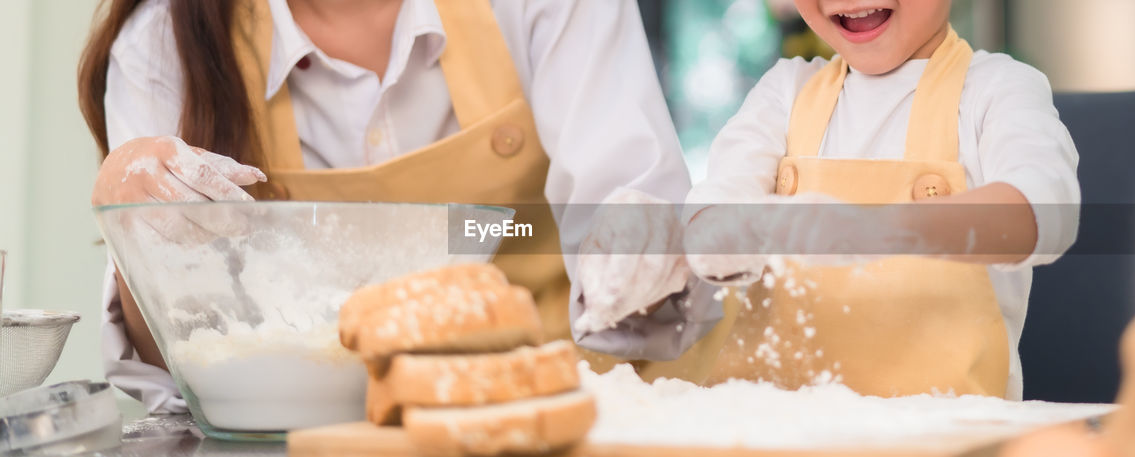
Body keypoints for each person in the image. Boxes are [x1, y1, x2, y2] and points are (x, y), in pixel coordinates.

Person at [80, 0, 701, 413]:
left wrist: (642, 248)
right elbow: (186, 361)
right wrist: (133, 231)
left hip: (556, 415)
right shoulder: (163, 44)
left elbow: (635, 228)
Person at [580, 0, 1081, 400]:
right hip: (781, 429)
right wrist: (660, 250)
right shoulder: (784, 93)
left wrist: (872, 231)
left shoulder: (996, 90)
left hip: (945, 433)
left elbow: (1046, 212)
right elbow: (715, 213)